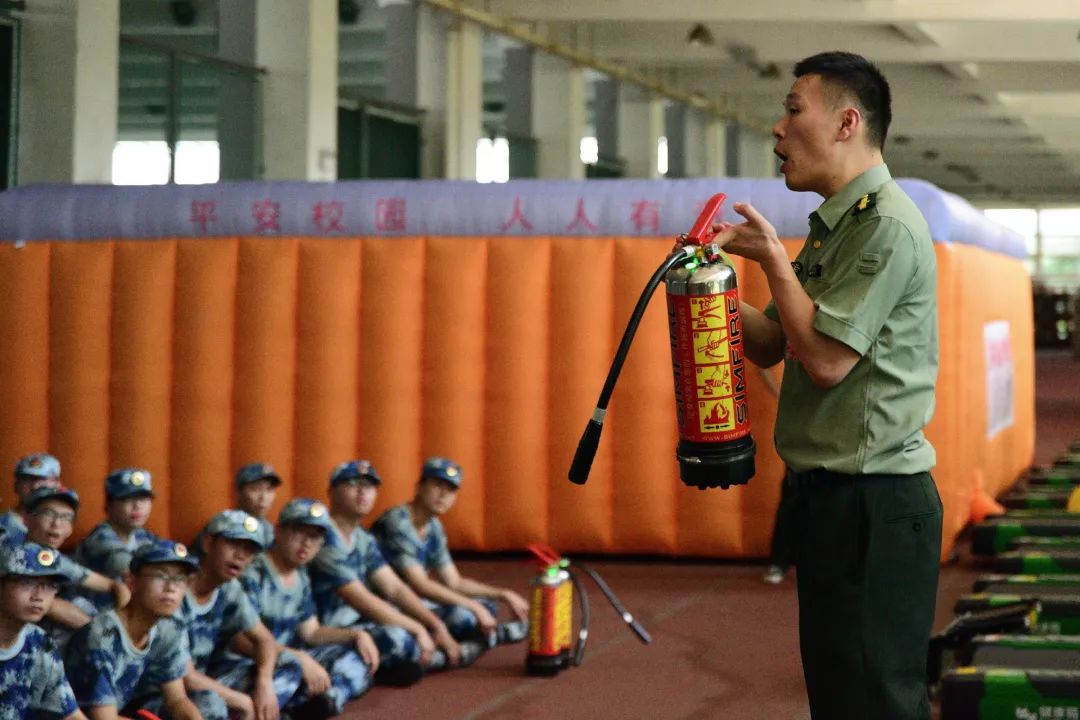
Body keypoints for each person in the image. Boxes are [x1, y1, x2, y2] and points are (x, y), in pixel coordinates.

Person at [709, 51, 942, 719]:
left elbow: (826, 361)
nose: (777, 131)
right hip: (835, 501)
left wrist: (775, 262)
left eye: (791, 111)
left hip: (876, 505)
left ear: (846, 123)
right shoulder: (838, 223)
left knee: (876, 700)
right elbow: (776, 340)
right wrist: (712, 286)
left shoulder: (885, 226)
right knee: (842, 698)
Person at [309, 460, 480, 687]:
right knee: (401, 639)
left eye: (369, 487)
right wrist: (418, 627)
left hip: (359, 622)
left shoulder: (362, 538)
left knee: (439, 625)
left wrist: (433, 625)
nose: (362, 492)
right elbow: (359, 596)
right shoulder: (323, 536)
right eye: (352, 484)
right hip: (327, 631)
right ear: (331, 492)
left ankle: (384, 665)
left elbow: (395, 587)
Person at [149, 510, 302, 720]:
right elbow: (186, 677)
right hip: (163, 696)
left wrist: (264, 683)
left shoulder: (229, 589)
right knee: (212, 705)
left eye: (248, 550)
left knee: (287, 663)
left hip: (204, 684)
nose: (240, 556)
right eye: (233, 544)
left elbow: (264, 639)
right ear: (208, 543)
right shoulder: (174, 592)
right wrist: (242, 701)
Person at [238, 498, 379, 719]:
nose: (307, 543)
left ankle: (327, 699)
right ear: (278, 532)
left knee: (354, 654)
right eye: (299, 532)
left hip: (287, 657)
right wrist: (298, 658)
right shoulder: (254, 574)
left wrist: (356, 634)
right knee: (292, 673)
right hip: (252, 662)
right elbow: (239, 641)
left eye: (315, 537)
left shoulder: (300, 574)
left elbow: (311, 632)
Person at [369, 457, 528, 646]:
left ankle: (462, 641)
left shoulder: (434, 527)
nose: (443, 494)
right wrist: (473, 607)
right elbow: (419, 584)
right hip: (379, 606)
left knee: (487, 604)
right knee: (466, 615)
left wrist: (503, 593)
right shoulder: (398, 522)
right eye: (437, 485)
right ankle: (466, 644)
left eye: (451, 489)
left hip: (409, 602)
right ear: (419, 487)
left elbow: (454, 581)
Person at [66, 539, 207, 720]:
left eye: (180, 579)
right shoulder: (101, 637)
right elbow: (103, 719)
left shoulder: (167, 628)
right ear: (132, 582)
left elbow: (177, 700)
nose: (171, 588)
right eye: (160, 576)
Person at [18, 485, 131, 647]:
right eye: (48, 514)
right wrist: (102, 633)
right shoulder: (12, 554)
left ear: (71, 529)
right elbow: (48, 605)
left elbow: (115, 585)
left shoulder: (56, 560)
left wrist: (123, 622)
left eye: (65, 517)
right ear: (26, 519)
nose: (57, 523)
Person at [0, 541, 86, 720]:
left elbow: (71, 714)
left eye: (49, 586)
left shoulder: (40, 642)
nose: (39, 596)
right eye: (27, 582)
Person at [74, 467, 158, 601]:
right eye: (126, 499)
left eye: (143, 499)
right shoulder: (100, 539)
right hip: (91, 613)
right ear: (109, 504)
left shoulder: (143, 536)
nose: (137, 506)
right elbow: (133, 572)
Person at [191, 463, 280, 559]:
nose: (263, 497)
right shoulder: (223, 523)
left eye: (269, 490)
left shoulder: (271, 532)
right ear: (238, 492)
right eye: (255, 489)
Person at [0, 452, 62, 545]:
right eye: (28, 480)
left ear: (57, 485)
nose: (35, 486)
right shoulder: (3, 526)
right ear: (16, 485)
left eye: (43, 480)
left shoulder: (61, 523)